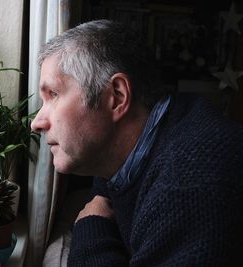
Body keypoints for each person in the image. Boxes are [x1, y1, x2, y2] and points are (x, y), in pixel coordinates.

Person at [31, 19, 243, 266]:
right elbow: (105, 186)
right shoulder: (142, 138)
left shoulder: (188, 186)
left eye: (53, 95)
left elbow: (99, 208)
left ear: (117, 97)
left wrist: (91, 227)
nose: (36, 123)